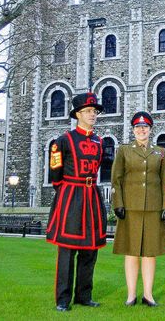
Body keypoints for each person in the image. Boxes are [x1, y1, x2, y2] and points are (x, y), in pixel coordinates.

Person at [45, 92, 107, 312]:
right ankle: (63, 299)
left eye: (95, 112)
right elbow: (55, 172)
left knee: (91, 249)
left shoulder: (99, 142)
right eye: (88, 111)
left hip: (92, 197)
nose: (93, 115)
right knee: (67, 251)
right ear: (78, 114)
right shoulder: (63, 140)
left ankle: (84, 295)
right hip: (71, 196)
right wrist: (66, 192)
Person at [111, 111, 165, 308]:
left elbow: (164, 182)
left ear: (150, 129)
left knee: (149, 252)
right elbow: (116, 179)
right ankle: (131, 295)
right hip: (130, 208)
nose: (142, 130)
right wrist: (118, 203)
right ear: (133, 130)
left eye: (145, 127)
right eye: (138, 127)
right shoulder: (124, 151)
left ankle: (148, 294)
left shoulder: (160, 152)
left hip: (153, 208)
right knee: (131, 251)